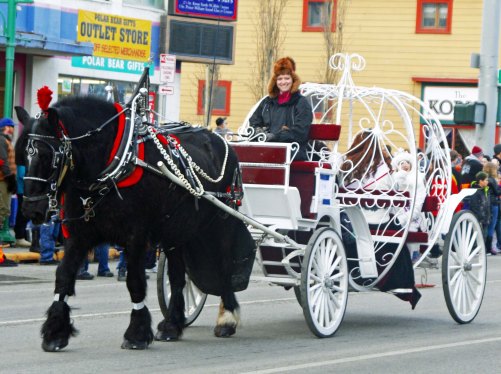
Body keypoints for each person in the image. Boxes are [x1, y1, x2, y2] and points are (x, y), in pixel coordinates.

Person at [340, 129, 421, 309]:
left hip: (350, 222)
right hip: (378, 222)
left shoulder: (347, 166)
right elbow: (394, 195)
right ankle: (397, 280)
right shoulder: (384, 168)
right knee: (398, 230)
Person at [249, 56, 313, 160]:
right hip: (267, 149)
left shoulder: (301, 103)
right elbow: (253, 122)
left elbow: (300, 132)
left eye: (287, 78)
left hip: (292, 151)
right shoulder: (267, 103)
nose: (283, 82)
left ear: (293, 80)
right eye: (280, 79)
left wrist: (275, 137)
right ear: (275, 82)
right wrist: (259, 132)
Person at [0, 118, 17, 245]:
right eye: (12, 126)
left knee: (4, 209)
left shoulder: (6, 140)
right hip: (3, 179)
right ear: (6, 127)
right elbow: (2, 160)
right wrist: (10, 178)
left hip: (5, 179)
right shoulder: (1, 140)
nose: (13, 129)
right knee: (2, 209)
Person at [469, 171, 491, 254]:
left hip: (485, 217)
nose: (487, 182)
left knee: (483, 235)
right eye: (486, 180)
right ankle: (474, 250)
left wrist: (489, 215)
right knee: (476, 235)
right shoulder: (475, 191)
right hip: (479, 217)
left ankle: (480, 250)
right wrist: (480, 217)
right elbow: (474, 206)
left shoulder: (485, 190)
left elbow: (487, 204)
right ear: (480, 181)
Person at [483, 162, 501, 255]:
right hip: (494, 203)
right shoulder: (492, 180)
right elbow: (498, 192)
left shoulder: (485, 179)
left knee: (488, 225)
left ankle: (487, 247)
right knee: (492, 226)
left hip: (487, 203)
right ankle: (488, 248)